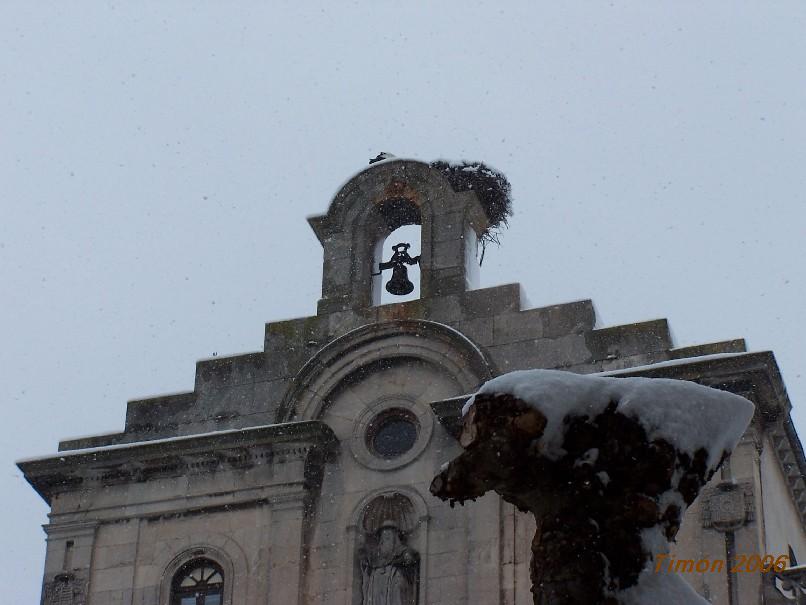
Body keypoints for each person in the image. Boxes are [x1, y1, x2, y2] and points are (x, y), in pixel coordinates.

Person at [360, 521, 419, 605]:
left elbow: (410, 562)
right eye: (382, 539)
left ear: (395, 539)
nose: (383, 542)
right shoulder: (376, 559)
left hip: (395, 587)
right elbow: (367, 564)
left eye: (388, 537)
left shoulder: (403, 551)